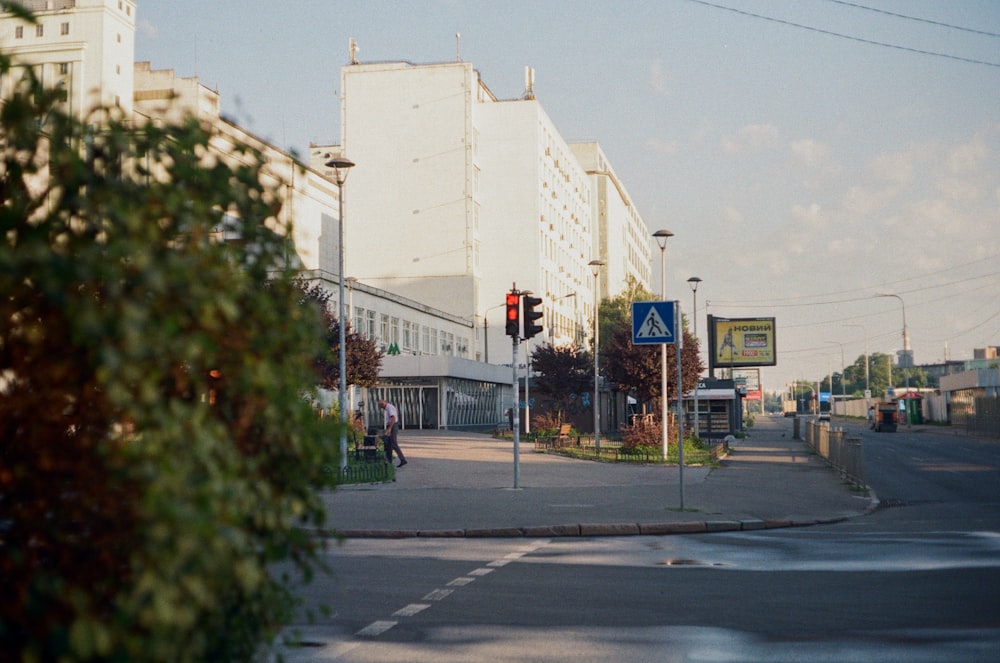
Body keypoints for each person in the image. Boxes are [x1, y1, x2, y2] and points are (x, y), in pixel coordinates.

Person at [379, 399, 407, 467]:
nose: (382, 407)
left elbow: (393, 418)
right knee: (389, 444)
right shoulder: (388, 408)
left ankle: (402, 459)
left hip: (393, 425)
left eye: (382, 406)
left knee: (394, 443)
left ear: (385, 403)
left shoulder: (389, 408)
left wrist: (390, 428)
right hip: (392, 425)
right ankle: (389, 461)